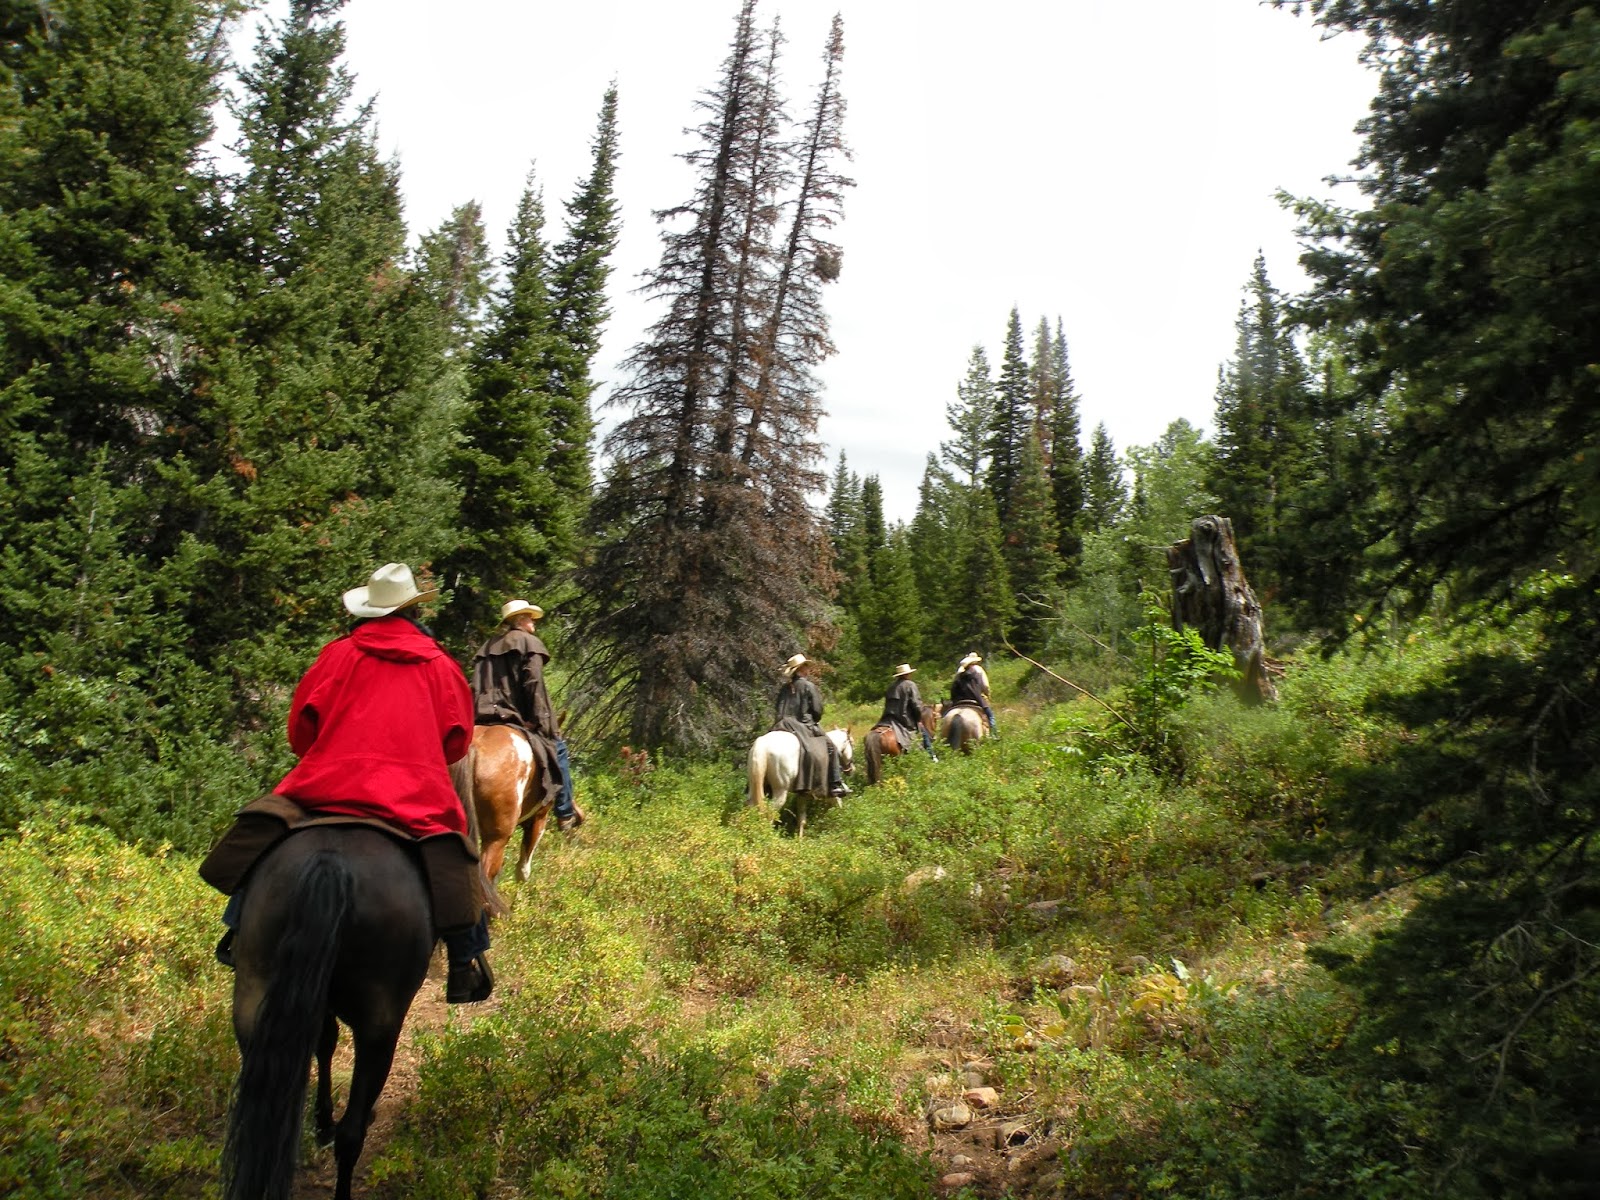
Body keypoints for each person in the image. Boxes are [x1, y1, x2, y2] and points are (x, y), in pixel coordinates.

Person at [211, 562, 493, 1004]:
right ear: (412, 610)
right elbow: (456, 744)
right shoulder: (441, 666)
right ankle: (464, 960)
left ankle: (239, 928)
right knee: (454, 857)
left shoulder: (336, 655)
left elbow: (300, 734)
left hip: (326, 786)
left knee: (270, 835)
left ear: (368, 611)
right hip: (414, 797)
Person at [471, 599, 583, 832]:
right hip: (515, 717)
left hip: (481, 716)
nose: (533, 622)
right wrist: (544, 722)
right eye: (530, 618)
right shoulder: (528, 642)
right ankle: (565, 814)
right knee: (558, 748)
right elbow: (534, 684)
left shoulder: (487, 647)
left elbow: (475, 685)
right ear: (521, 620)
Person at [770, 653, 850, 798]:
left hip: (781, 723)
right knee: (830, 746)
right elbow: (817, 710)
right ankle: (835, 784)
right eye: (806, 667)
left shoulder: (784, 688)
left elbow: (778, 708)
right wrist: (814, 719)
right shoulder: (808, 686)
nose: (808, 669)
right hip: (802, 724)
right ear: (801, 669)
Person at [875, 663, 938, 760]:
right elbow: (916, 705)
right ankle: (932, 756)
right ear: (907, 674)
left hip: (887, 719)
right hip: (904, 719)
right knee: (923, 732)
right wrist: (918, 718)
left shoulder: (891, 687)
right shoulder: (910, 685)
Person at [953, 651, 998, 735]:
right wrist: (987, 695)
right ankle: (994, 735)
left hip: (959, 699)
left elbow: (954, 686)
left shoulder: (960, 671)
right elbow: (985, 686)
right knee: (990, 715)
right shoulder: (979, 670)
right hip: (975, 697)